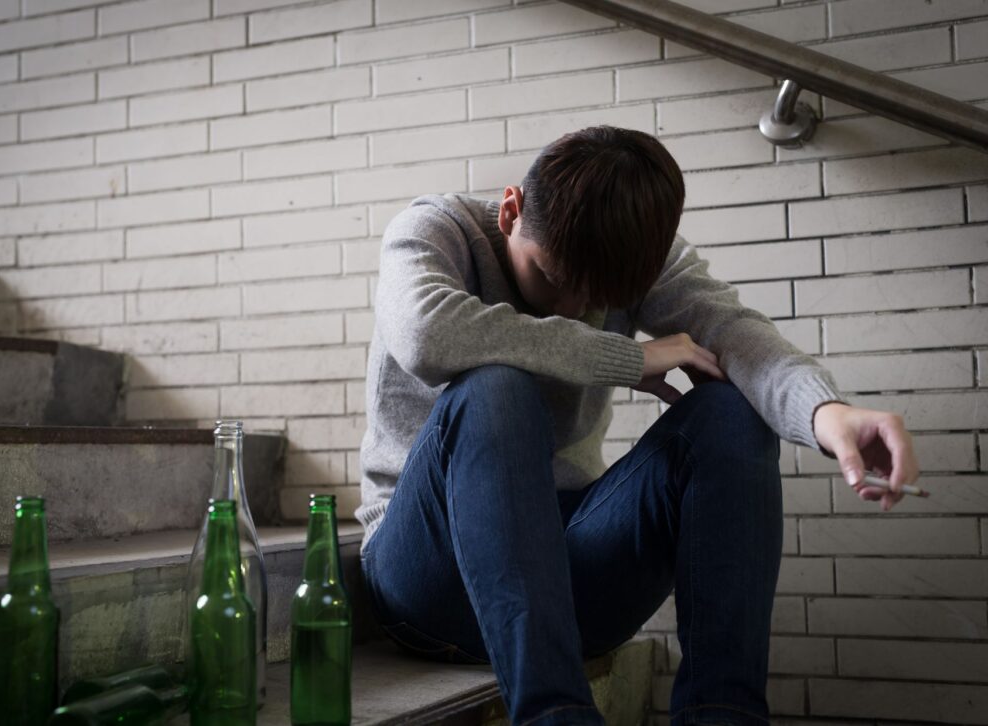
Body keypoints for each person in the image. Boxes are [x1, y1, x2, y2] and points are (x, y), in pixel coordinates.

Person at [355, 126, 920, 725]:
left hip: (567, 577)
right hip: (427, 575)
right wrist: (625, 357)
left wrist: (827, 414)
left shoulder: (637, 255)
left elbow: (734, 334)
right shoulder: (434, 231)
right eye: (551, 277)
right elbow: (427, 334)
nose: (571, 307)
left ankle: (721, 715)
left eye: (595, 298)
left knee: (729, 410)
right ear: (511, 210)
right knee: (496, 386)